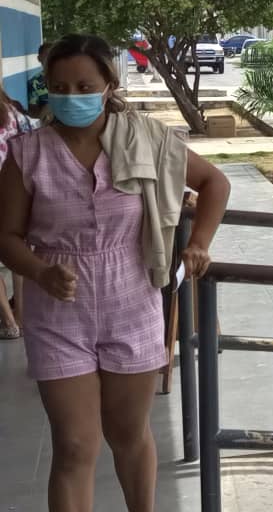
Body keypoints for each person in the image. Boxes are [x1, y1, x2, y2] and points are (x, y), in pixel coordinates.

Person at [0, 34, 231, 512]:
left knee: (129, 435)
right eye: (59, 87)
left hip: (133, 301)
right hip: (58, 314)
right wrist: (40, 273)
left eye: (84, 85)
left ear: (109, 83)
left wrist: (198, 245)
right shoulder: (27, 154)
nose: (71, 96)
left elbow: (214, 183)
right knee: (76, 446)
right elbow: (5, 237)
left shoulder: (146, 137)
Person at [0, 83, 31, 339]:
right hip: (17, 193)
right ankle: (21, 314)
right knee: (17, 255)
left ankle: (9, 322)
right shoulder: (17, 115)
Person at [28, 42, 52, 118]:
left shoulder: (67, 77)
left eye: (54, 56)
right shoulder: (34, 82)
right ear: (39, 58)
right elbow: (33, 113)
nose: (50, 59)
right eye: (47, 55)